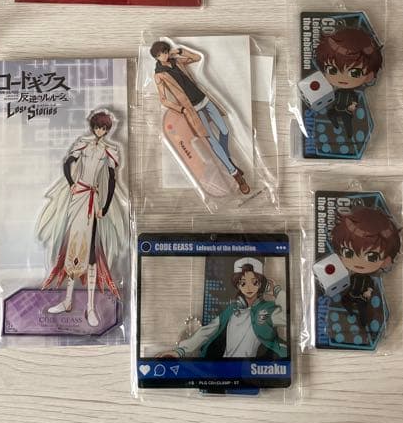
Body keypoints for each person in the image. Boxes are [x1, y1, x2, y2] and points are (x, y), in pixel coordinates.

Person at [36, 111, 129, 327]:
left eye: (104, 128)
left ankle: (90, 307)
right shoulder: (83, 144)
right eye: (97, 127)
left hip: (93, 202)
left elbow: (112, 179)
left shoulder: (110, 150)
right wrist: (72, 184)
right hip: (78, 198)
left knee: (91, 253)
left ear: (107, 130)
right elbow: (67, 163)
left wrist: (105, 206)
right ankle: (67, 301)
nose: (100, 131)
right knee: (72, 247)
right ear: (92, 127)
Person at [150, 40, 248, 194]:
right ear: (156, 57)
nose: (165, 55)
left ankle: (228, 160)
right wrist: (181, 109)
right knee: (212, 140)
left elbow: (196, 58)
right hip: (193, 109)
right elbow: (163, 100)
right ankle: (234, 174)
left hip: (205, 100)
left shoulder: (176, 61)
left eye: (165, 51)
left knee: (224, 130)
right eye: (161, 54)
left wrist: (178, 51)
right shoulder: (159, 75)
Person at [158, 258, 287, 359]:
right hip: (224, 367)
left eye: (254, 282)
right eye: (243, 283)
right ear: (238, 285)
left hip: (252, 371)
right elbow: (207, 331)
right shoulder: (232, 309)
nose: (248, 287)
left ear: (261, 284)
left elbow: (287, 318)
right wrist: (180, 351)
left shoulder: (268, 310)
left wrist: (277, 291)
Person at [328, 206, 400, 323]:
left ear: (386, 261)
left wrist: (369, 292)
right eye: (348, 252)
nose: (358, 261)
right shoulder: (350, 276)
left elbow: (370, 286)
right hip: (350, 294)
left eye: (372, 257)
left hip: (362, 298)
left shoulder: (370, 279)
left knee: (363, 308)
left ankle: (363, 321)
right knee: (345, 301)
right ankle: (350, 313)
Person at [314, 26, 383, 141]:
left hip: (347, 111)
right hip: (337, 108)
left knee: (347, 122)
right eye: (332, 70)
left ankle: (350, 135)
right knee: (330, 114)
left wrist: (353, 106)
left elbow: (355, 100)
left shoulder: (354, 93)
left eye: (354, 73)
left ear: (369, 76)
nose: (342, 77)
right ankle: (336, 125)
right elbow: (331, 98)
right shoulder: (337, 91)